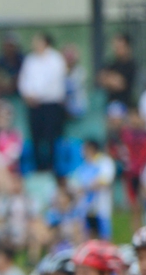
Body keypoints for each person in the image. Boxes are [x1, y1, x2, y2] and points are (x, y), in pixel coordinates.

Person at [18, 33, 67, 173]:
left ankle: (52, 167)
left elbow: (53, 83)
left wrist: (37, 95)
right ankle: (39, 167)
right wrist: (27, 95)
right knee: (35, 137)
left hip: (50, 104)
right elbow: (23, 80)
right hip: (33, 105)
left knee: (51, 137)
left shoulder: (56, 59)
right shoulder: (30, 60)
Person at [69, 139, 115, 240]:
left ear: (91, 149)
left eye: (84, 149)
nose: (82, 152)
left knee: (104, 230)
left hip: (100, 203)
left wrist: (86, 186)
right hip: (86, 205)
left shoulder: (104, 162)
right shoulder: (83, 165)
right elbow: (74, 184)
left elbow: (105, 180)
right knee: (87, 231)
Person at [121, 106, 146, 231]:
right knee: (134, 208)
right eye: (131, 117)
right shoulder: (125, 135)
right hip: (131, 174)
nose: (134, 120)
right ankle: (137, 235)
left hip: (145, 172)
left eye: (136, 117)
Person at [98, 33, 136, 107]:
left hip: (126, 105)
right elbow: (100, 79)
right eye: (115, 47)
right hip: (110, 104)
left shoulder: (131, 65)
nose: (116, 49)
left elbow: (120, 84)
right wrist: (113, 79)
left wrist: (110, 79)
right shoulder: (111, 64)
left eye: (120, 46)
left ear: (127, 46)